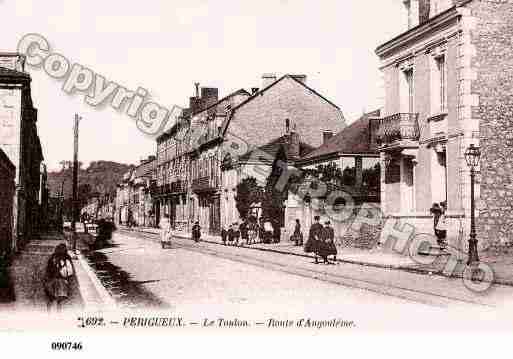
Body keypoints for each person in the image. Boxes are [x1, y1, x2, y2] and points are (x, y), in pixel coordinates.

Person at [43, 243, 74, 312]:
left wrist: (46, 279)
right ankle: (58, 313)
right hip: (62, 281)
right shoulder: (67, 259)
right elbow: (70, 272)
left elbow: (48, 270)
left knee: (50, 299)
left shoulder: (52, 258)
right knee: (59, 300)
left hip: (52, 280)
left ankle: (49, 313)